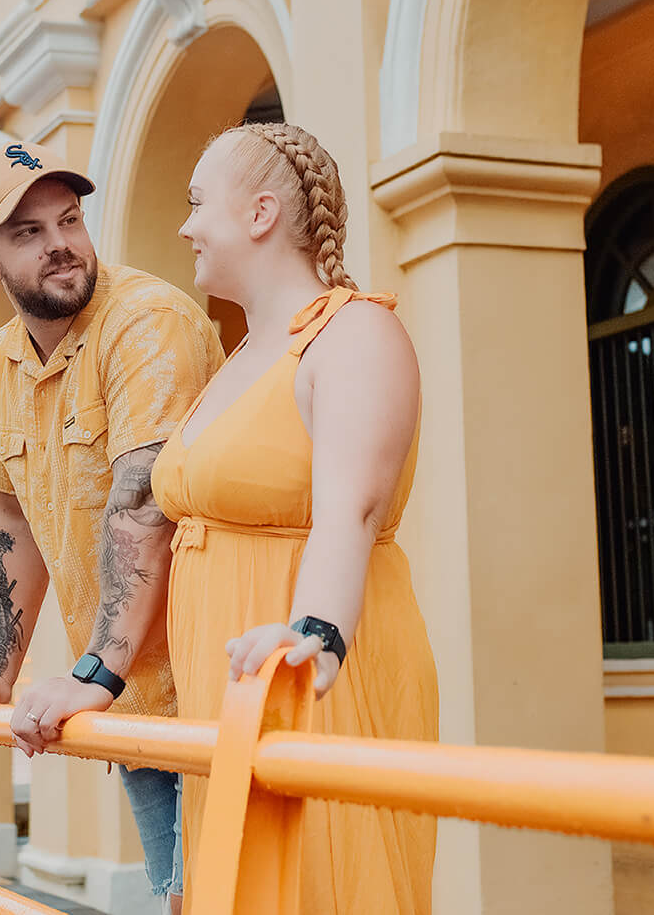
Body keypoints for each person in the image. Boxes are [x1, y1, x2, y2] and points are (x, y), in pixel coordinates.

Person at [0, 140, 225, 911]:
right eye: (28, 232)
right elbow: (11, 518)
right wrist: (1, 672)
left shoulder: (145, 321)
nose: (60, 242)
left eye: (69, 219)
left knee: (219, 897)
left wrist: (94, 670)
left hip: (209, 686)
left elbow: (144, 501)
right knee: (181, 898)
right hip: (130, 695)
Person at [154, 122, 439, 914]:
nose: (184, 225)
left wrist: (312, 641)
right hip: (225, 706)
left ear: (260, 214)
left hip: (310, 685)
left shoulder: (355, 334)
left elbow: (349, 511)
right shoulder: (238, 360)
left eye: (197, 202)